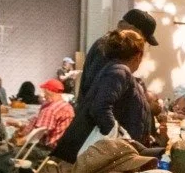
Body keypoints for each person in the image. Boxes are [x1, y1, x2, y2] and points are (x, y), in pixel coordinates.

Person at [53, 30, 153, 163]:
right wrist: (118, 138)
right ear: (138, 55)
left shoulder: (116, 70)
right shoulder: (120, 71)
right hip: (113, 152)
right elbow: (100, 107)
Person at [78, 9, 158, 102]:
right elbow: (101, 93)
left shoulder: (110, 46)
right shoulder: (107, 47)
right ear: (132, 30)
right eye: (143, 38)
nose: (142, 43)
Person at [7, 79, 75, 152]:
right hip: (62, 146)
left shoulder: (50, 110)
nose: (43, 95)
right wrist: (19, 124)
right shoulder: (67, 106)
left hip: (46, 148)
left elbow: (38, 134)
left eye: (44, 91)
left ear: (49, 91)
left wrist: (16, 143)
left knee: (7, 152)